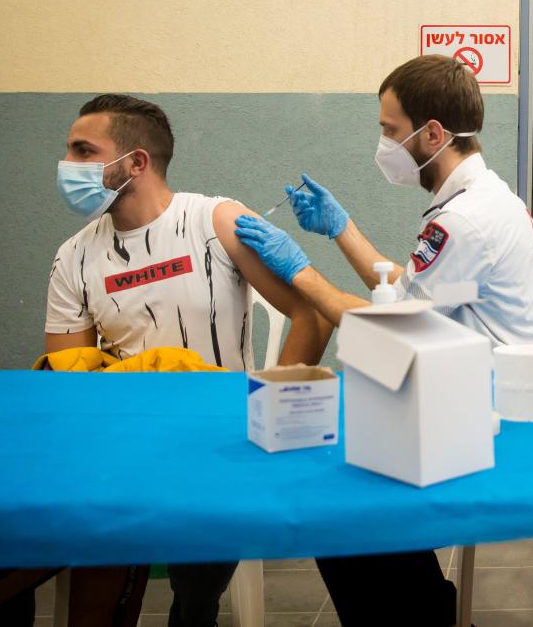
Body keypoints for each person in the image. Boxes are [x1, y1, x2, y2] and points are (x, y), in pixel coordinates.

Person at [233, 54, 533, 625]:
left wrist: (299, 270)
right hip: (520, 387)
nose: (384, 144)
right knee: (360, 473)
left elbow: (394, 325)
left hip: (525, 412)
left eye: (389, 131)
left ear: (434, 134)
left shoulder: (464, 221)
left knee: (344, 504)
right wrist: (341, 228)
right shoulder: (481, 199)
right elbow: (408, 290)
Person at [42, 94, 330, 627]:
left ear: (136, 162)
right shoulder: (74, 257)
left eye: (84, 151)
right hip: (125, 435)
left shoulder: (216, 222)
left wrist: (268, 421)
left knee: (198, 568)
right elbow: (68, 382)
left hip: (218, 434)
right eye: (69, 151)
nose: (68, 166)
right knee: (96, 537)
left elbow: (313, 315)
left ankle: (194, 610)